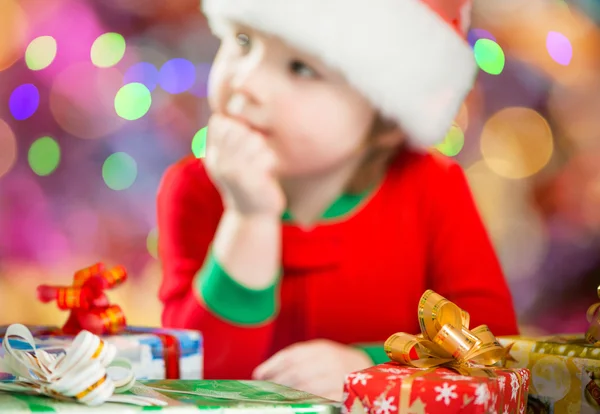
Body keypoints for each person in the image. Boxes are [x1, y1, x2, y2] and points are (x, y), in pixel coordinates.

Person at [157, 0, 519, 400]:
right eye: (243, 40)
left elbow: (490, 346)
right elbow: (196, 375)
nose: (245, 82)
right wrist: (249, 216)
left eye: (301, 68)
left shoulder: (432, 189)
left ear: (385, 116)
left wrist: (370, 370)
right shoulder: (195, 188)